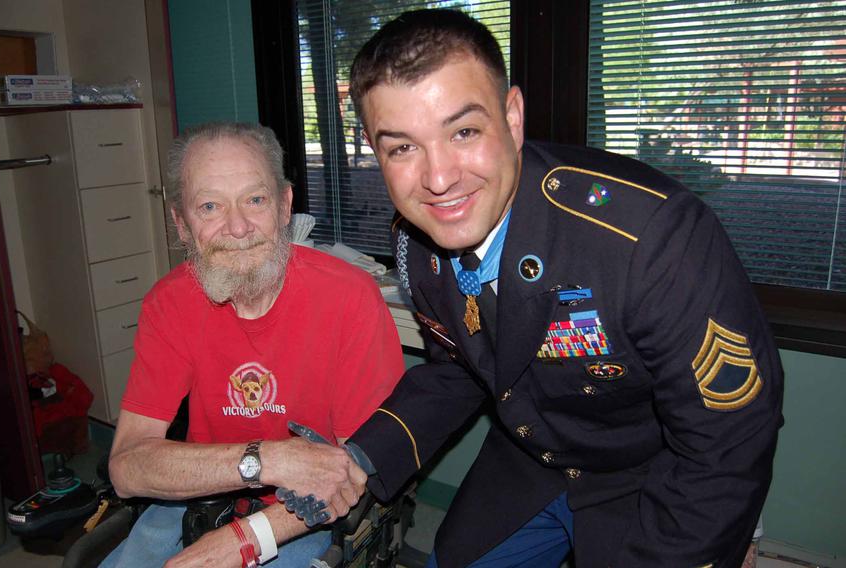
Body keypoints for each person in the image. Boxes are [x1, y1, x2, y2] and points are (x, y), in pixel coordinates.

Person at [334, 8, 783, 568]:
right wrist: (362, 456)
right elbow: (459, 369)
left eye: (464, 131)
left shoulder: (650, 239)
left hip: (650, 473)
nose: (439, 178)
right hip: (530, 460)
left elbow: (726, 444)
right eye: (402, 147)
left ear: (513, 117)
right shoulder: (416, 243)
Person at [101, 122, 404, 567]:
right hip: (201, 493)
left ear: (285, 207)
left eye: (255, 200)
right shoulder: (168, 304)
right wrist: (265, 460)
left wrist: (244, 539)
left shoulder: (350, 297)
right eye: (210, 207)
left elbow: (349, 475)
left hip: (305, 511)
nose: (238, 227)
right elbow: (126, 469)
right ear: (181, 225)